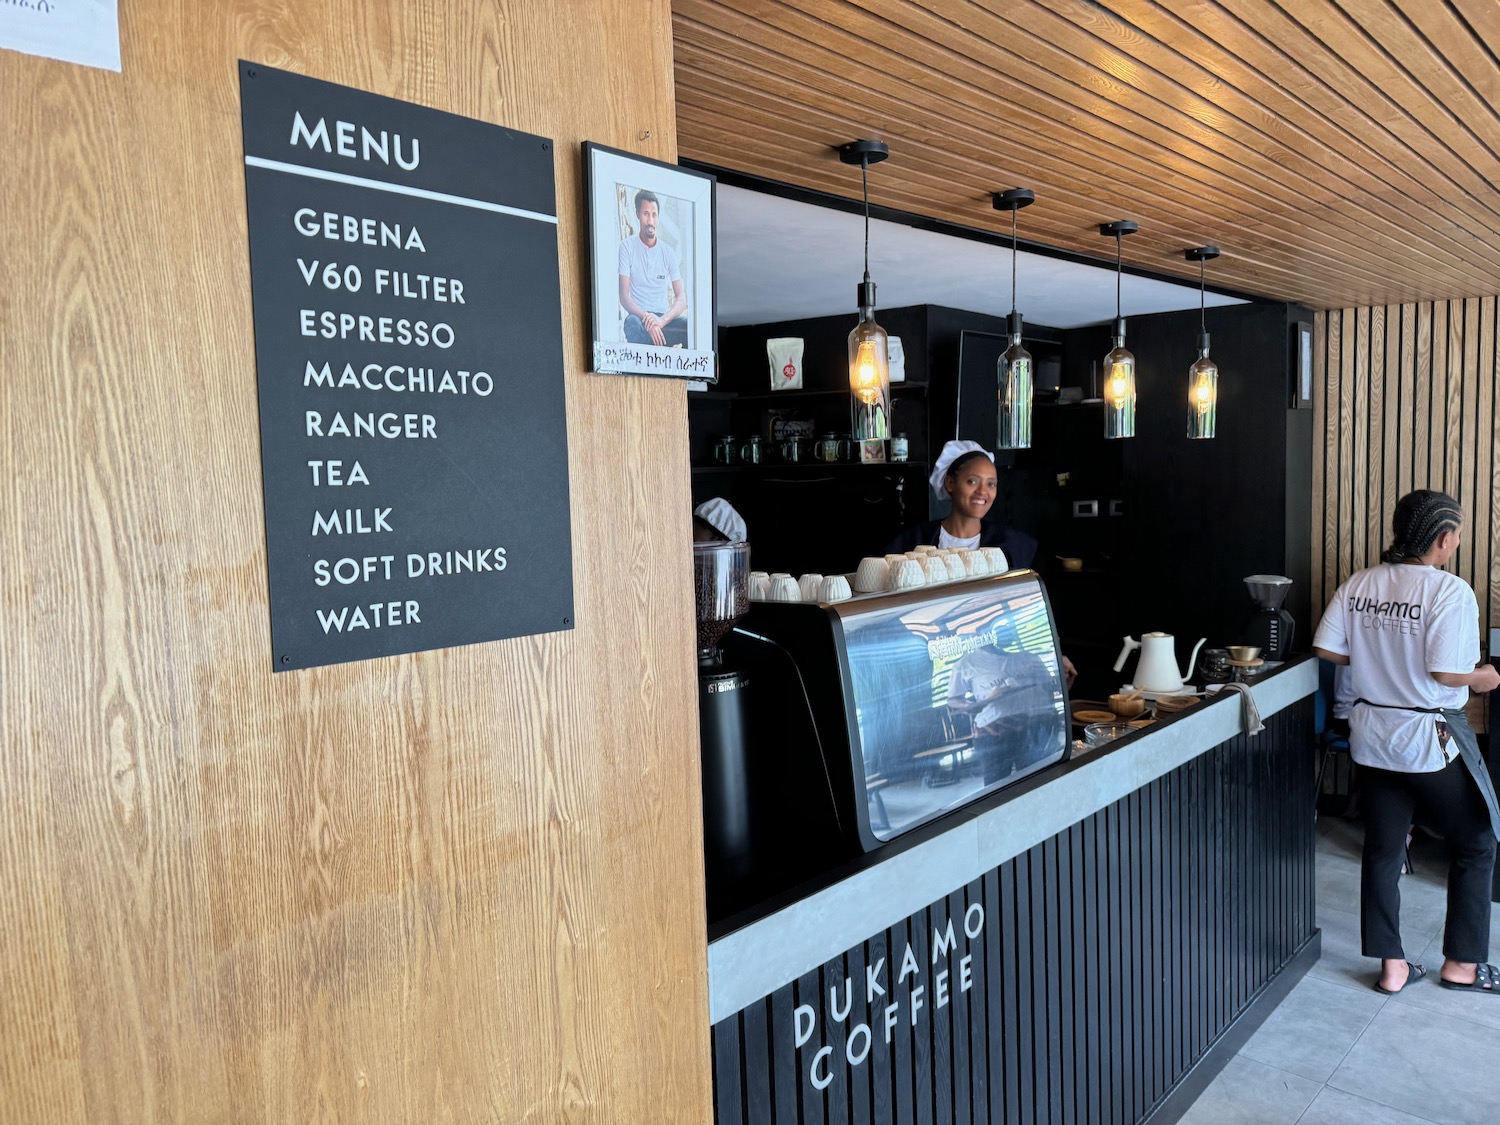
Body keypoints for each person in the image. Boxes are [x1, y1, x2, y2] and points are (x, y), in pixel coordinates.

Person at [1312, 489, 1500, 996]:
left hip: (1371, 736)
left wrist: (1381, 662)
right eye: (1457, 532)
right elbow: (1445, 672)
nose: (1458, 541)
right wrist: (1481, 677)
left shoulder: (1360, 584)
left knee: (1383, 848)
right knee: (1478, 837)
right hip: (1423, 736)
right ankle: (1462, 964)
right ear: (1444, 538)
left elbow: (1328, 649)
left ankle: (1393, 966)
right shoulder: (1449, 591)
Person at [883, 440, 1037, 567]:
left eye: (991, 484)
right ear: (950, 483)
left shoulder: (1013, 545)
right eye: (972, 481)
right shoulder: (912, 542)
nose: (982, 491)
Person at [618, 189, 688, 348]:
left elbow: (681, 299)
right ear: (637, 214)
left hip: (663, 321)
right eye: (645, 214)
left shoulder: (668, 253)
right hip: (640, 319)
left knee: (689, 326)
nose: (650, 220)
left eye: (654, 214)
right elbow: (623, 295)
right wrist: (647, 319)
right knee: (631, 323)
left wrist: (661, 321)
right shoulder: (627, 247)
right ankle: (641, 370)